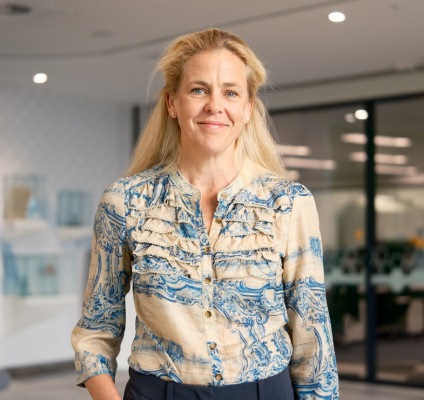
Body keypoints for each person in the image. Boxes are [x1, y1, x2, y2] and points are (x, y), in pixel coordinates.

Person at [70, 28, 339, 400]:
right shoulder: (124, 202)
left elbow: (313, 335)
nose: (215, 105)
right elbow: (95, 330)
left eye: (230, 92)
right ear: (171, 103)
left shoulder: (289, 202)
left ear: (247, 109)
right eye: (198, 90)